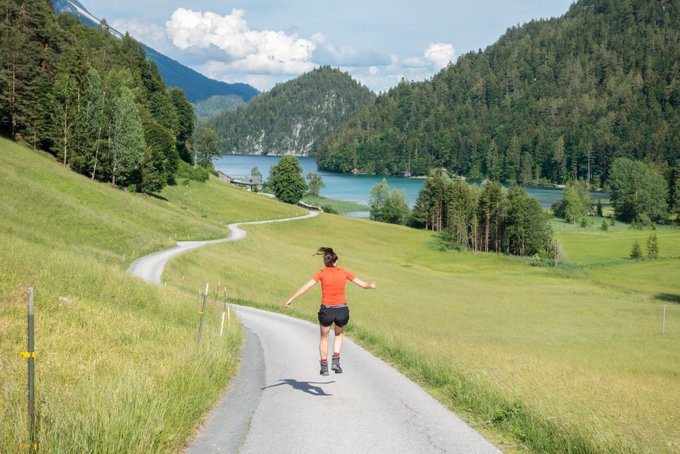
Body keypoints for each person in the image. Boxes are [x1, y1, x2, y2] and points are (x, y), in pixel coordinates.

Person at [285, 247, 376, 376]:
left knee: (324, 338)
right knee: (339, 335)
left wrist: (291, 299)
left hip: (326, 311)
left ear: (325, 262)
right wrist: (370, 285)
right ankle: (336, 361)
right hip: (341, 310)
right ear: (336, 260)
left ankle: (324, 367)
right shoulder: (344, 272)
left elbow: (306, 287)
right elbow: (363, 284)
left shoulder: (321, 273)